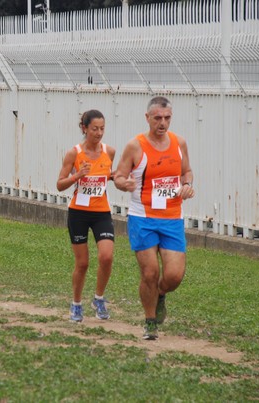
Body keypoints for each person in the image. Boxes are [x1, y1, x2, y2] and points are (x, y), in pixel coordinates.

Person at [114, 96, 195, 340]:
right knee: (149, 273)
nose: (162, 123)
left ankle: (159, 295)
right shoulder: (135, 146)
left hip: (172, 218)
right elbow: (119, 175)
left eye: (167, 118)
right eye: (157, 118)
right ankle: (150, 322)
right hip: (143, 218)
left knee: (173, 276)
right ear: (147, 118)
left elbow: (187, 171)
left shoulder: (179, 143)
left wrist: (188, 185)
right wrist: (123, 183)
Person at [56, 109, 116, 322]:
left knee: (107, 256)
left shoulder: (110, 151)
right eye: (94, 129)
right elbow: (59, 184)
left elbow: (107, 174)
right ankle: (76, 304)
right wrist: (77, 176)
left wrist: (114, 177)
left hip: (101, 212)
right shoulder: (74, 153)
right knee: (82, 263)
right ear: (84, 128)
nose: (99, 133)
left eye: (102, 129)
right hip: (79, 213)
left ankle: (98, 298)